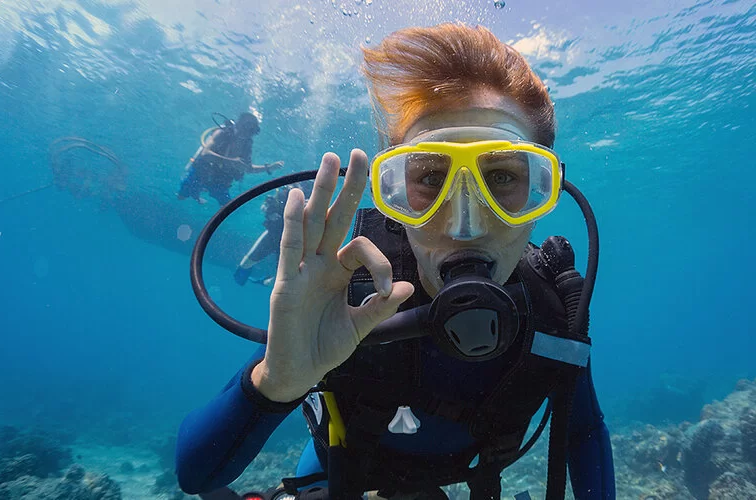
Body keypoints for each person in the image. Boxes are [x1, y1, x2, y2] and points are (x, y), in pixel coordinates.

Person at [176, 23, 615, 500]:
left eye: (503, 177)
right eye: (430, 177)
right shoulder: (350, 294)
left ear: (542, 192)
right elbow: (196, 477)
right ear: (395, 194)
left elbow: (583, 432)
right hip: (339, 472)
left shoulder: (553, 312)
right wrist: (274, 383)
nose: (463, 226)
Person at [177, 112, 285, 205]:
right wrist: (231, 161)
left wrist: (268, 168)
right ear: (238, 124)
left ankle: (199, 195)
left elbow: (247, 169)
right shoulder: (222, 133)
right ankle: (195, 195)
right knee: (181, 196)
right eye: (246, 127)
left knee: (227, 206)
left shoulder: (247, 146)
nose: (247, 133)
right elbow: (205, 154)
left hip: (220, 181)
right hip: (201, 173)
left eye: (252, 130)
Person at [234, 183, 312, 286]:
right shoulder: (283, 193)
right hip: (273, 235)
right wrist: (268, 211)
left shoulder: (312, 199)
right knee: (245, 265)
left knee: (280, 278)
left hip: (292, 241)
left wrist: (308, 208)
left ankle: (262, 282)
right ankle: (241, 281)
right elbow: (264, 206)